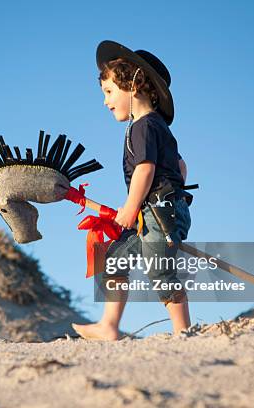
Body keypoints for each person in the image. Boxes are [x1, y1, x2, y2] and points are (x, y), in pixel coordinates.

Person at [72, 40, 193, 340]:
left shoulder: (144, 126)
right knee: (114, 259)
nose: (105, 101)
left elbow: (145, 169)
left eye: (110, 92)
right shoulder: (155, 128)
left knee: (160, 273)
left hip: (158, 215)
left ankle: (184, 332)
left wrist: (130, 207)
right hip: (158, 211)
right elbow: (181, 167)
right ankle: (109, 326)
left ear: (135, 85)